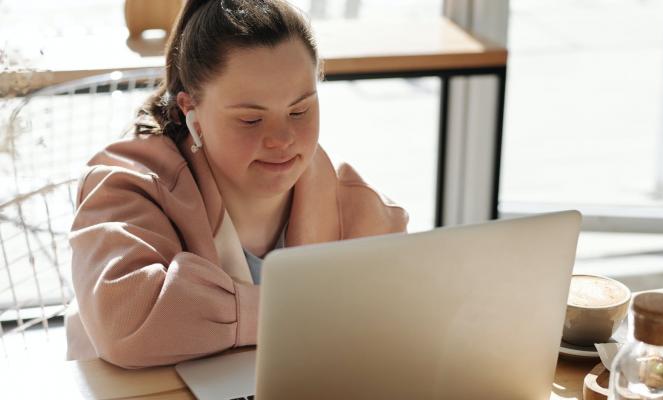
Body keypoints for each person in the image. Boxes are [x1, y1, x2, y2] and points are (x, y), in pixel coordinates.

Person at [65, 0, 408, 368]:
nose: (282, 139)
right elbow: (127, 323)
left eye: (299, 110)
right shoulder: (127, 184)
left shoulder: (359, 205)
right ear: (190, 110)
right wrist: (304, 312)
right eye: (250, 120)